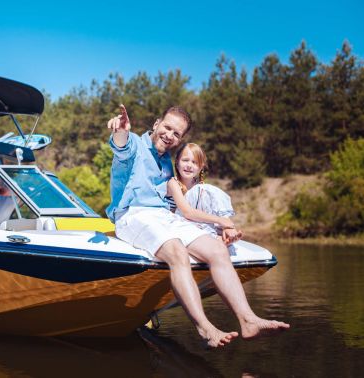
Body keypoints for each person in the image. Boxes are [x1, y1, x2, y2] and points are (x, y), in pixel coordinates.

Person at [107, 104, 289, 348]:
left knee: (217, 250)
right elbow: (121, 147)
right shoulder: (136, 146)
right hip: (133, 215)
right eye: (167, 127)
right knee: (177, 252)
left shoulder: (165, 163)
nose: (170, 135)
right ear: (156, 124)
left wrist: (221, 226)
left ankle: (248, 320)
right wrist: (120, 132)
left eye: (177, 133)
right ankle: (205, 328)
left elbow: (185, 202)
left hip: (164, 218)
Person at [168, 143, 243, 245]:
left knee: (208, 193)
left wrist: (223, 223)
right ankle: (223, 229)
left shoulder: (199, 188)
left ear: (201, 167)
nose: (189, 165)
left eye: (195, 162)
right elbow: (187, 212)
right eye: (185, 160)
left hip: (193, 222)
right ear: (177, 162)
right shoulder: (173, 183)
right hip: (176, 222)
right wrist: (219, 220)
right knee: (206, 189)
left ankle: (225, 230)